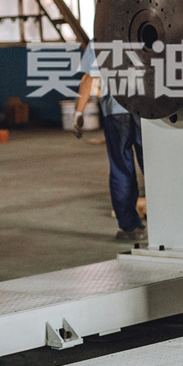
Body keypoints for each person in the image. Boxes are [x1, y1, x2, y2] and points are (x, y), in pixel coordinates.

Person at [73, 45, 146, 241]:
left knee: (121, 168)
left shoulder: (100, 37)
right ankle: (170, 222)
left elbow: (88, 78)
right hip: (146, 108)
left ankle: (130, 228)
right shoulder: (143, 31)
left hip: (115, 110)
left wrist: (79, 112)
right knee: (155, 166)